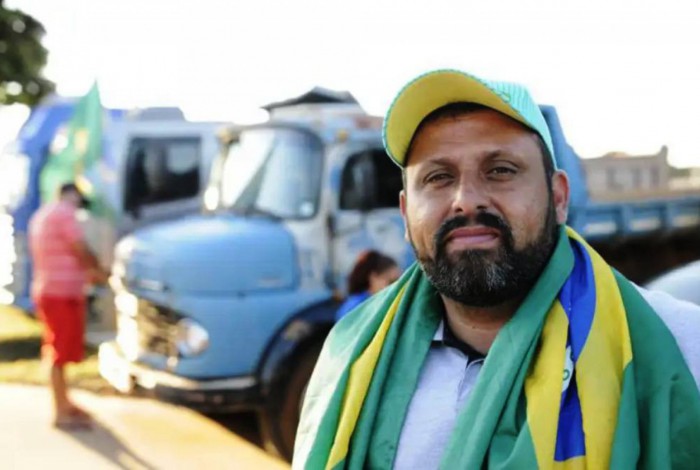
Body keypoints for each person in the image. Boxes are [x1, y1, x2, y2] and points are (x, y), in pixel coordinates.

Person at [294, 70, 700, 469]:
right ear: (405, 213)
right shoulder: (348, 355)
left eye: (500, 170)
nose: (466, 200)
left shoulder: (680, 346)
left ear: (559, 198)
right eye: (438, 177)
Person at [28, 182, 109, 429]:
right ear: (70, 194)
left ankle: (64, 402)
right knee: (59, 351)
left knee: (58, 348)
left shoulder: (43, 214)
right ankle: (60, 411)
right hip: (61, 293)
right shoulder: (64, 213)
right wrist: (98, 270)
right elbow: (79, 247)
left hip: (50, 289)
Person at [335, 250, 401, 321]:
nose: (395, 287)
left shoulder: (386, 305)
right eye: (391, 281)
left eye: (399, 282)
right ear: (374, 277)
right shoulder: (355, 307)